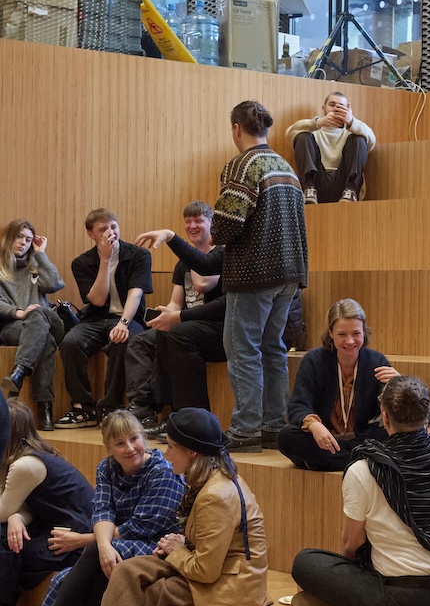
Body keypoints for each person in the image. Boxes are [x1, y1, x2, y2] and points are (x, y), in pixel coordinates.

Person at [56, 407, 270, 606]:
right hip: (206, 566)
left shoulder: (216, 494)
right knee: (127, 572)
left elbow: (206, 570)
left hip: (229, 584)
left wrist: (176, 549)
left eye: (171, 445)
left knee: (145, 600)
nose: (165, 451)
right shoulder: (206, 477)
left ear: (191, 452)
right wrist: (180, 541)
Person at [140, 102, 308, 454]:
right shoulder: (286, 168)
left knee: (243, 350)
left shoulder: (242, 164)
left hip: (253, 274)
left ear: (236, 129)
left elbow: (228, 225)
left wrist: (215, 229)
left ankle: (246, 429)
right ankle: (273, 426)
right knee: (272, 348)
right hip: (290, 273)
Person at [1, 408, 185, 606]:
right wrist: (103, 545)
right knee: (95, 571)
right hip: (115, 541)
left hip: (157, 546)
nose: (130, 448)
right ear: (108, 447)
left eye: (134, 438)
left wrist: (94, 543)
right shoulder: (106, 467)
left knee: (93, 561)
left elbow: (141, 527)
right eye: (119, 443)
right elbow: (102, 512)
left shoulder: (162, 472)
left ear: (144, 437)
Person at [289, 374, 430, 606]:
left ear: (384, 417)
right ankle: (350, 605)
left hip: (400, 604)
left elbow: (352, 545)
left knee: (305, 562)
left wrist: (349, 577)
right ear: (428, 415)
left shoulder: (366, 469)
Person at [126, 201, 227, 429]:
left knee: (178, 334)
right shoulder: (184, 262)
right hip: (189, 325)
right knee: (147, 338)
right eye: (188, 221)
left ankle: (191, 419)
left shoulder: (220, 253)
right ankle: (152, 409)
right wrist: (165, 315)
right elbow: (176, 301)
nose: (192, 226)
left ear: (211, 224)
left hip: (215, 328)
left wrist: (192, 254)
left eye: (198, 221)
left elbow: (202, 284)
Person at [0, 401, 94, 606]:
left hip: (73, 542)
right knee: (7, 546)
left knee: (6, 548)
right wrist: (15, 517)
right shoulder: (33, 454)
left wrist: (11, 516)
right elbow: (23, 509)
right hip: (61, 530)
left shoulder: (24, 465)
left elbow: (3, 510)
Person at [54, 209, 153, 427]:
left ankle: (111, 407)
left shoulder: (138, 255)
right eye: (103, 229)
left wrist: (123, 323)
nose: (110, 232)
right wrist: (105, 260)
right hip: (95, 319)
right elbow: (97, 300)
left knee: (122, 339)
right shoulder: (81, 262)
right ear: (90, 234)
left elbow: (136, 294)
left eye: (113, 227)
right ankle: (83, 408)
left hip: (129, 317)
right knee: (70, 343)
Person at [278, 298, 398, 471]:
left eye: (356, 333)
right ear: (331, 333)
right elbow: (298, 405)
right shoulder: (313, 361)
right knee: (286, 437)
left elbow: (395, 411)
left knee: (390, 435)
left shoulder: (376, 361)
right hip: (325, 440)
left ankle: (325, 462)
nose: (349, 341)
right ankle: (362, 461)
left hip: (361, 439)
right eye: (342, 334)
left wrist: (400, 385)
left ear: (364, 332)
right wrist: (314, 425)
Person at [0, 218, 66, 431]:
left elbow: (55, 283)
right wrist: (18, 312)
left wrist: (41, 254)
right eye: (19, 237)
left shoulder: (35, 266)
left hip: (49, 321)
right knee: (43, 339)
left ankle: (19, 372)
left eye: (28, 239)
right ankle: (44, 408)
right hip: (14, 327)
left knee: (39, 313)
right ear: (8, 238)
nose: (23, 243)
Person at [287, 90, 375, 205]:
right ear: (324, 108)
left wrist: (351, 121)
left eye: (341, 107)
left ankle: (351, 192)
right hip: (316, 184)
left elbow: (372, 141)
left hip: (344, 184)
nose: (335, 109)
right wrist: (318, 123)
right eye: (332, 105)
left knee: (359, 139)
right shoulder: (313, 132)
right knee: (302, 136)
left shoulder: (353, 132)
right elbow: (290, 133)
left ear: (348, 109)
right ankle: (308, 190)